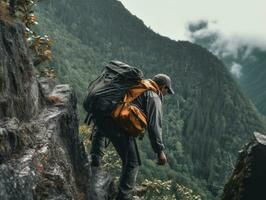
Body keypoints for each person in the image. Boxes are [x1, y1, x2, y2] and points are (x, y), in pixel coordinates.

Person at [90, 73, 174, 200]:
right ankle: (124, 196)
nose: (166, 94)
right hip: (118, 126)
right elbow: (154, 126)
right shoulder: (153, 95)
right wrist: (159, 151)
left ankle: (93, 164)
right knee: (132, 163)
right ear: (163, 87)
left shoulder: (137, 84)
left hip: (105, 114)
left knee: (101, 131)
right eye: (167, 90)